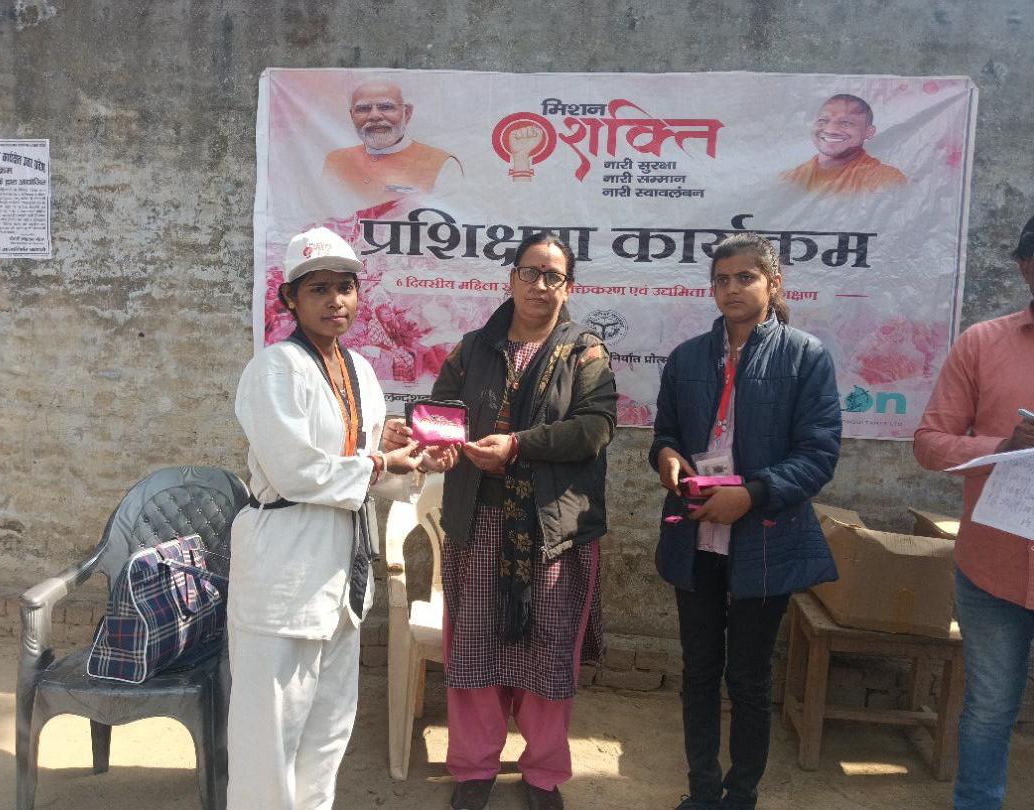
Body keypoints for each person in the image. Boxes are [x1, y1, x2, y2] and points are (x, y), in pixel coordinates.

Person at [385, 232, 616, 810]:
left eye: (553, 276)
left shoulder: (585, 354)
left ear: (569, 287)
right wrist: (437, 451)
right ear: (511, 279)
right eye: (530, 272)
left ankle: (543, 774)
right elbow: (442, 419)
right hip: (479, 525)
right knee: (474, 652)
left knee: (549, 653)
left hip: (553, 532)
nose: (540, 285)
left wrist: (517, 445)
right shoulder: (471, 351)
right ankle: (473, 768)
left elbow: (595, 428)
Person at [227, 226, 452, 809]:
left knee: (328, 728)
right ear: (290, 299)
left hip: (341, 574)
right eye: (318, 289)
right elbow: (297, 472)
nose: (335, 301)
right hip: (285, 562)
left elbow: (366, 476)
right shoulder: (276, 369)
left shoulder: (360, 371)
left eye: (345, 287)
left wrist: (412, 461)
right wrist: (378, 460)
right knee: (269, 733)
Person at [650, 233, 842, 810]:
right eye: (722, 279)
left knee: (750, 678)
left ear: (773, 283)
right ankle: (702, 791)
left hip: (763, 537)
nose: (731, 288)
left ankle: (741, 796)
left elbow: (818, 455)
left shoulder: (805, 356)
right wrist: (666, 457)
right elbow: (665, 434)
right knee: (699, 671)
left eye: (745, 278)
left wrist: (753, 494)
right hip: (697, 531)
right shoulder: (687, 357)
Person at [913, 214, 1034, 810]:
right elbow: (929, 443)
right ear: (1026, 267)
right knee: (988, 709)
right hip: (993, 570)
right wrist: (1002, 448)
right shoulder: (983, 343)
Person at [321, 79, 463, 209]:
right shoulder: (336, 161)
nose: (374, 116)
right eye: (363, 109)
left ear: (407, 113)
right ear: (352, 115)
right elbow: (322, 212)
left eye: (386, 107)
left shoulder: (442, 164)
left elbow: (451, 221)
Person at [781, 93, 907, 195]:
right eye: (823, 120)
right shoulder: (790, 178)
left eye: (846, 123)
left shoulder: (885, 180)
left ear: (869, 132)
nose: (830, 130)